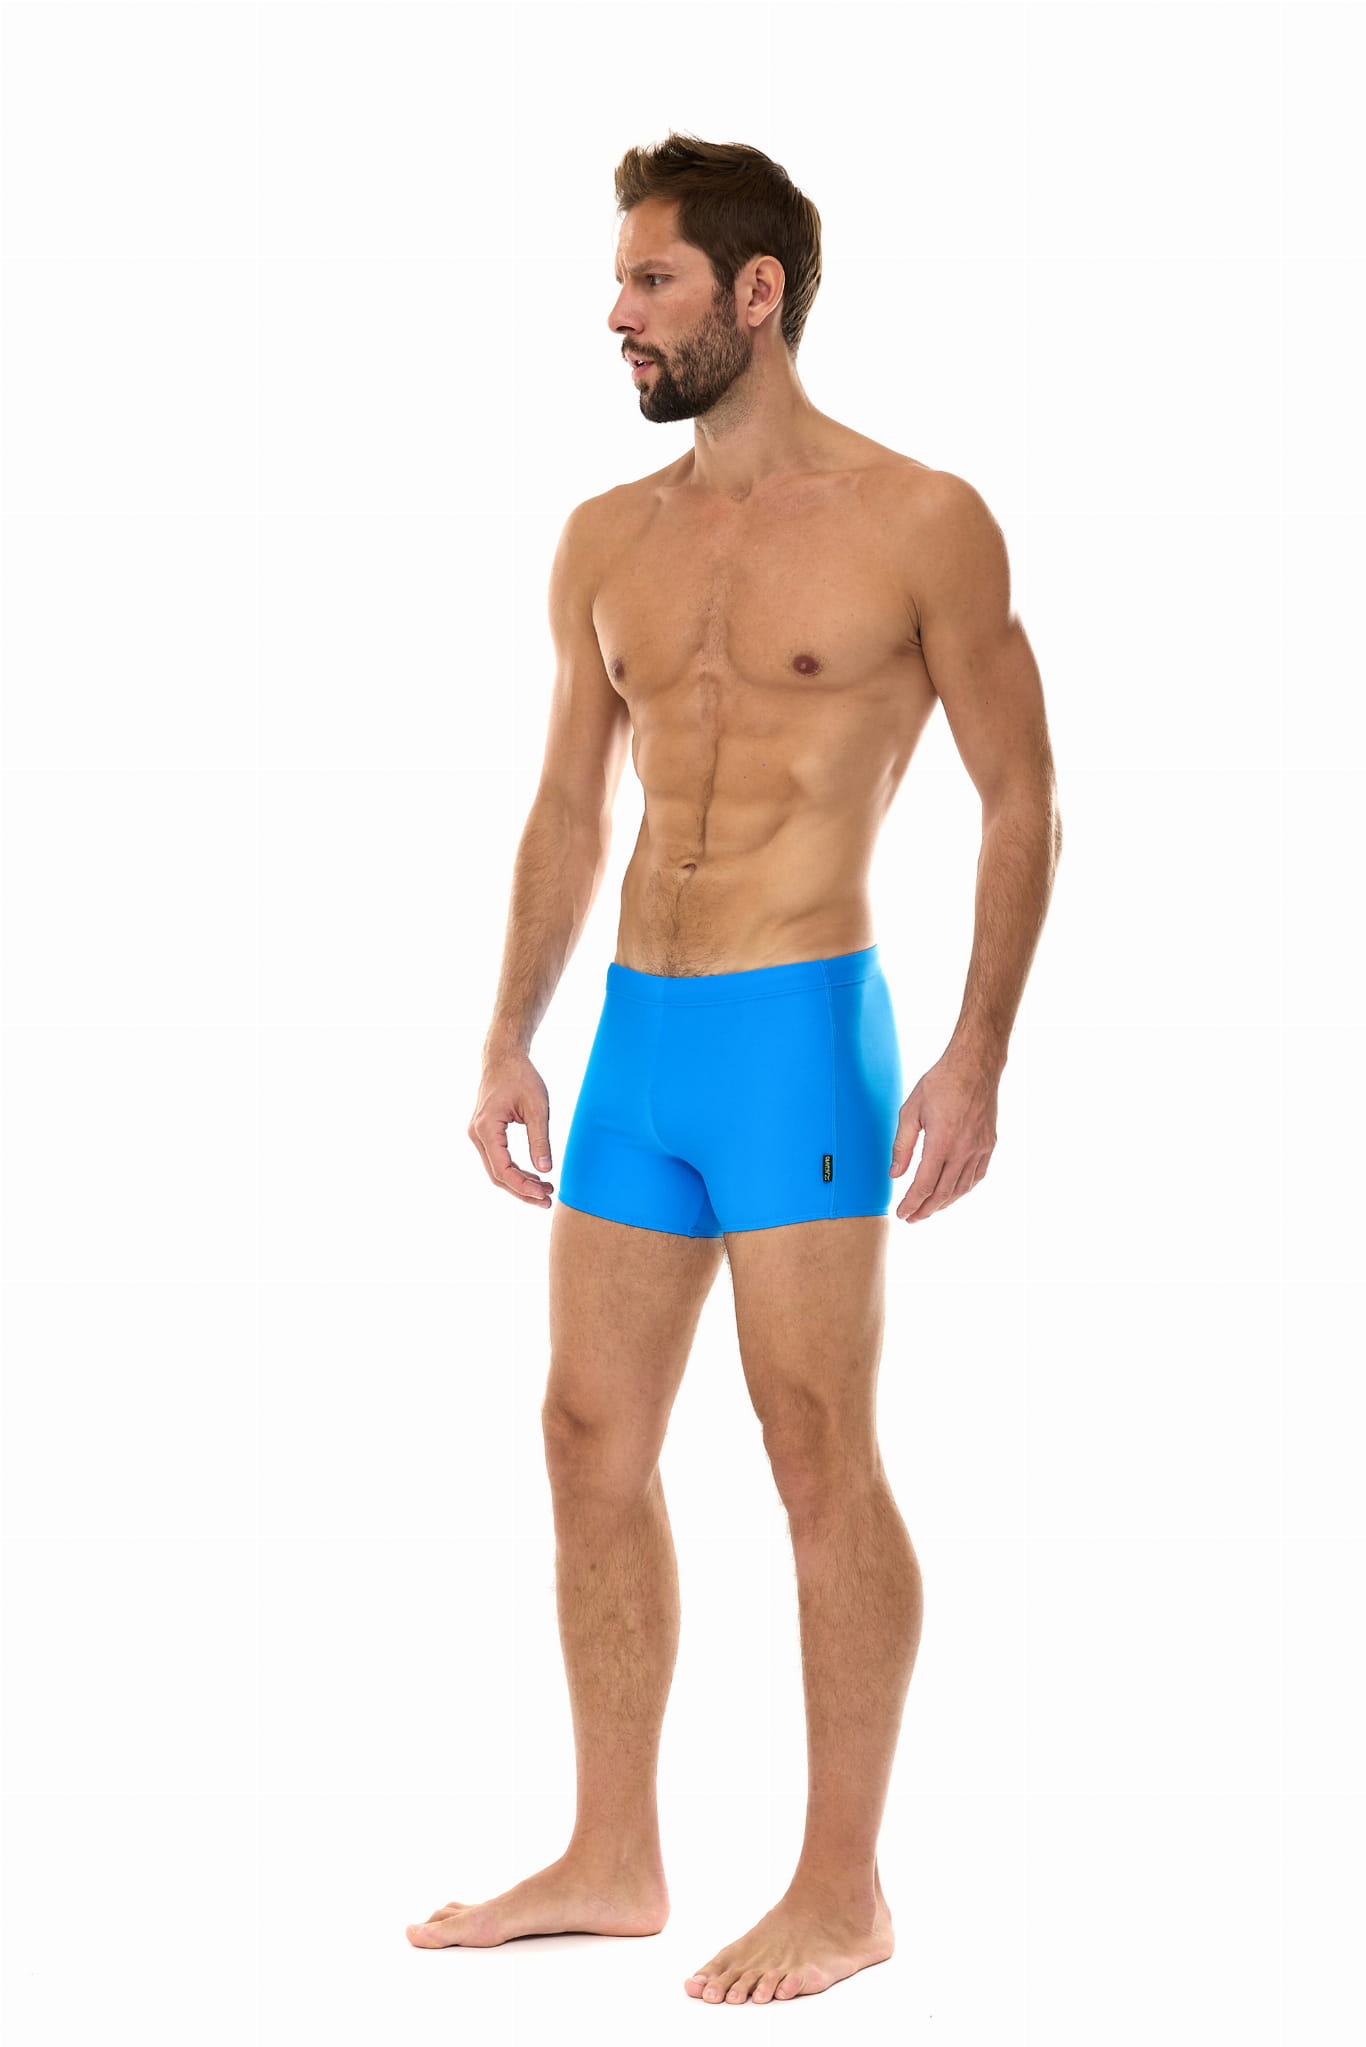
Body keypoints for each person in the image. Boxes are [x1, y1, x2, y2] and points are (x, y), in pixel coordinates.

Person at [409, 132, 1062, 2005]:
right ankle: (613, 1856)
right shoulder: (605, 538)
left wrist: (976, 1051)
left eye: (651, 281)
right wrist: (508, 1035)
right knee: (584, 1438)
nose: (615, 313)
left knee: (812, 1447)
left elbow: (1020, 795)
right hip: (637, 1034)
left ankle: (842, 1890)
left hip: (795, 1032)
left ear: (754, 294)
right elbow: (565, 804)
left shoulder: (919, 518)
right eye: (620, 278)